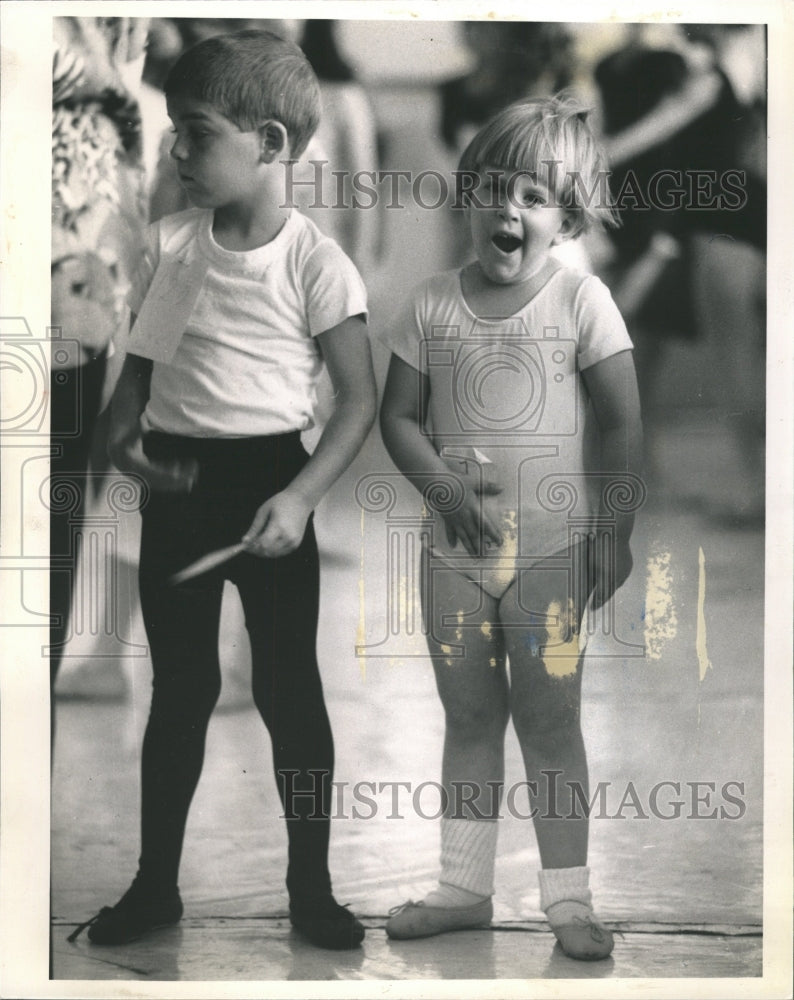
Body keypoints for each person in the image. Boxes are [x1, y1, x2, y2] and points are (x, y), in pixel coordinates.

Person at [68, 30, 377, 951]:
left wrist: (301, 499)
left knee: (288, 693)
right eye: (174, 133)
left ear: (273, 145)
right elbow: (140, 377)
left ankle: (311, 892)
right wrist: (123, 442)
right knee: (180, 692)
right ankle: (155, 885)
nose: (177, 152)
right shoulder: (171, 249)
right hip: (183, 488)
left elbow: (357, 402)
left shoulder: (317, 264)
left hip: (274, 482)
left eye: (197, 134)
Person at [378, 95, 642, 960]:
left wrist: (613, 526)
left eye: (531, 197)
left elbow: (623, 421)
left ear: (566, 217)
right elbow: (400, 420)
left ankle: (569, 898)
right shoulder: (430, 304)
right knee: (467, 715)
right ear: (468, 195)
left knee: (552, 719)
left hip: (554, 555)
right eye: (493, 188)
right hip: (453, 555)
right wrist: (444, 493)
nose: (507, 210)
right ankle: (463, 887)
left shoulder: (582, 298)